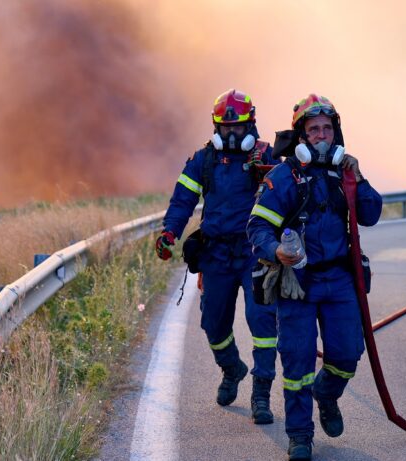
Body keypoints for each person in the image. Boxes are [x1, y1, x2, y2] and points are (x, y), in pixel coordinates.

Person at [246, 94, 382, 460]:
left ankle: (327, 393)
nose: (321, 136)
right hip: (298, 283)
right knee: (297, 362)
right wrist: (276, 250)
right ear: (302, 137)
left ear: (335, 133)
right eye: (313, 130)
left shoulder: (346, 173)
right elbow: (258, 226)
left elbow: (370, 215)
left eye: (327, 128)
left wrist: (358, 176)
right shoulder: (284, 177)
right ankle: (300, 436)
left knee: (347, 355)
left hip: (339, 280)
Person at [155, 89, 279, 424]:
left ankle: (261, 394)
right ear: (216, 127)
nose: (232, 134)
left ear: (250, 123)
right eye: (225, 128)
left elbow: (287, 195)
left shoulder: (267, 156)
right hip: (217, 254)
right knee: (213, 322)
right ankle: (231, 368)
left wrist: (268, 168)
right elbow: (182, 200)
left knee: (263, 320)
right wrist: (170, 232)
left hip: (255, 252)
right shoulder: (204, 160)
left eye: (237, 127)